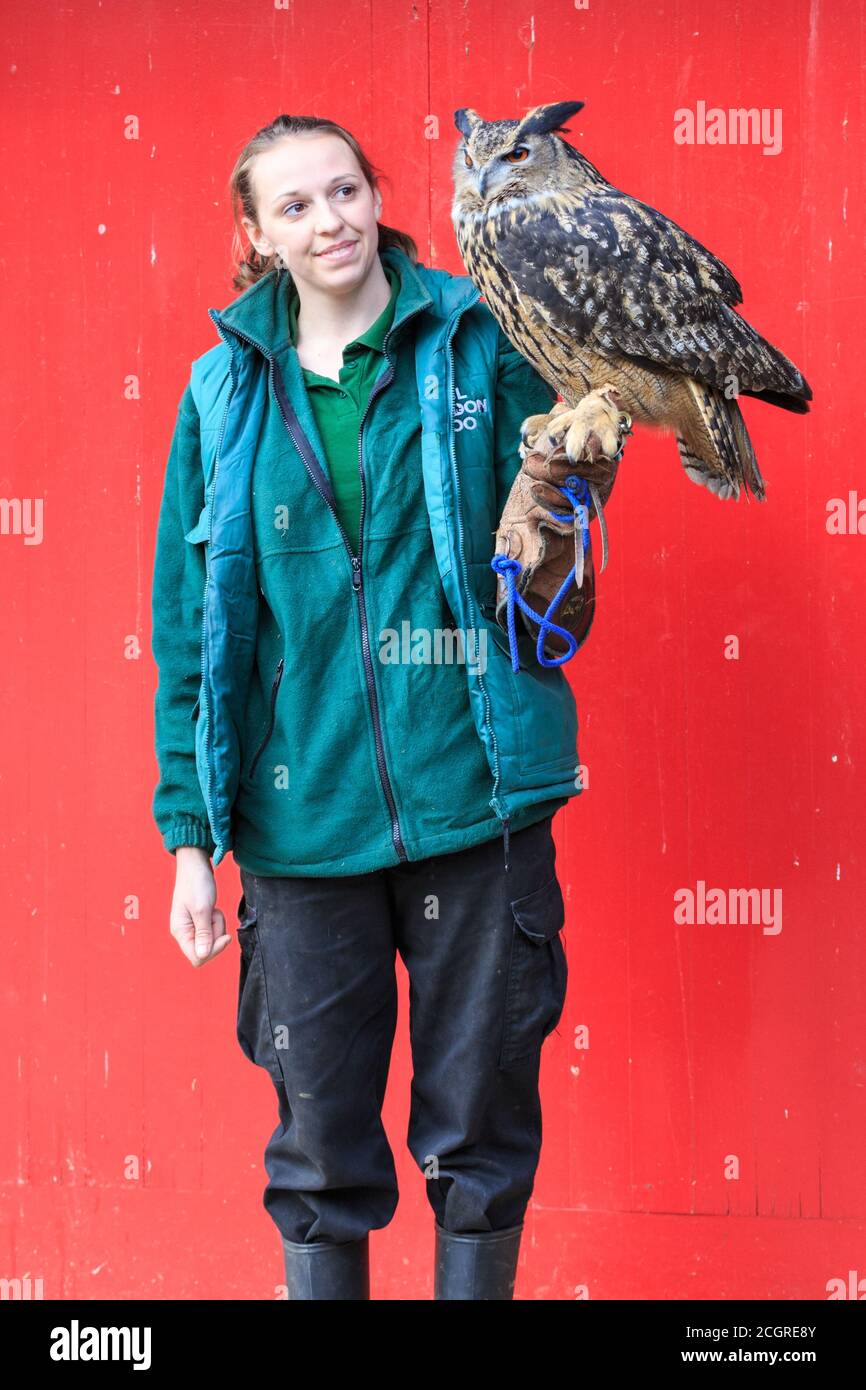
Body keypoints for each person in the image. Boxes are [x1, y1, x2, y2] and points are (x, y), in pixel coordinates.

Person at [150, 113, 623, 1300]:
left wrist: (567, 505)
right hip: (297, 825)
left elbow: (551, 547)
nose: (331, 220)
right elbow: (187, 631)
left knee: (480, 1129)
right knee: (318, 1147)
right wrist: (190, 840)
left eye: (346, 189)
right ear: (256, 235)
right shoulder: (220, 397)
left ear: (378, 195)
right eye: (296, 205)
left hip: (474, 803)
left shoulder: (475, 339)